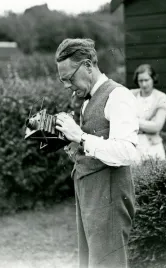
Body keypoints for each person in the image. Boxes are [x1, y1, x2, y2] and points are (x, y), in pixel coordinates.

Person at [54, 38, 139, 268]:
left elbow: (127, 152)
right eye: (62, 80)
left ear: (88, 66)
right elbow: (94, 149)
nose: (66, 86)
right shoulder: (85, 101)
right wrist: (70, 143)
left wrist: (81, 137)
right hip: (90, 197)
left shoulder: (118, 96)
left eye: (69, 78)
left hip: (109, 202)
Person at [130, 64, 166, 162]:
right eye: (140, 81)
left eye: (146, 80)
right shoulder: (130, 95)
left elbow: (157, 126)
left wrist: (133, 122)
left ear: (153, 79)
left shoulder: (161, 97)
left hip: (153, 146)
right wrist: (147, 124)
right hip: (133, 146)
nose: (143, 84)